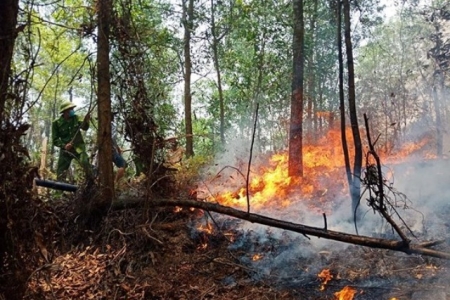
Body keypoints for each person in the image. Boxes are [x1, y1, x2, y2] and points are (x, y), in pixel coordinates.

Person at [52, 101, 91, 181]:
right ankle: (59, 191)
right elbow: (55, 140)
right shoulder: (56, 123)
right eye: (71, 109)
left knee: (85, 162)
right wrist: (64, 146)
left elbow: (84, 127)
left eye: (72, 109)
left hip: (78, 148)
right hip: (65, 151)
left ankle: (91, 182)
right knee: (61, 172)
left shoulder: (76, 118)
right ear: (65, 111)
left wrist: (86, 121)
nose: (73, 110)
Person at [111, 113, 127, 183]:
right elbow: (112, 138)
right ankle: (115, 183)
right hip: (111, 150)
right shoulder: (112, 125)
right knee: (123, 164)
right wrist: (116, 149)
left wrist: (118, 148)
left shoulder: (101, 126)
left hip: (103, 151)